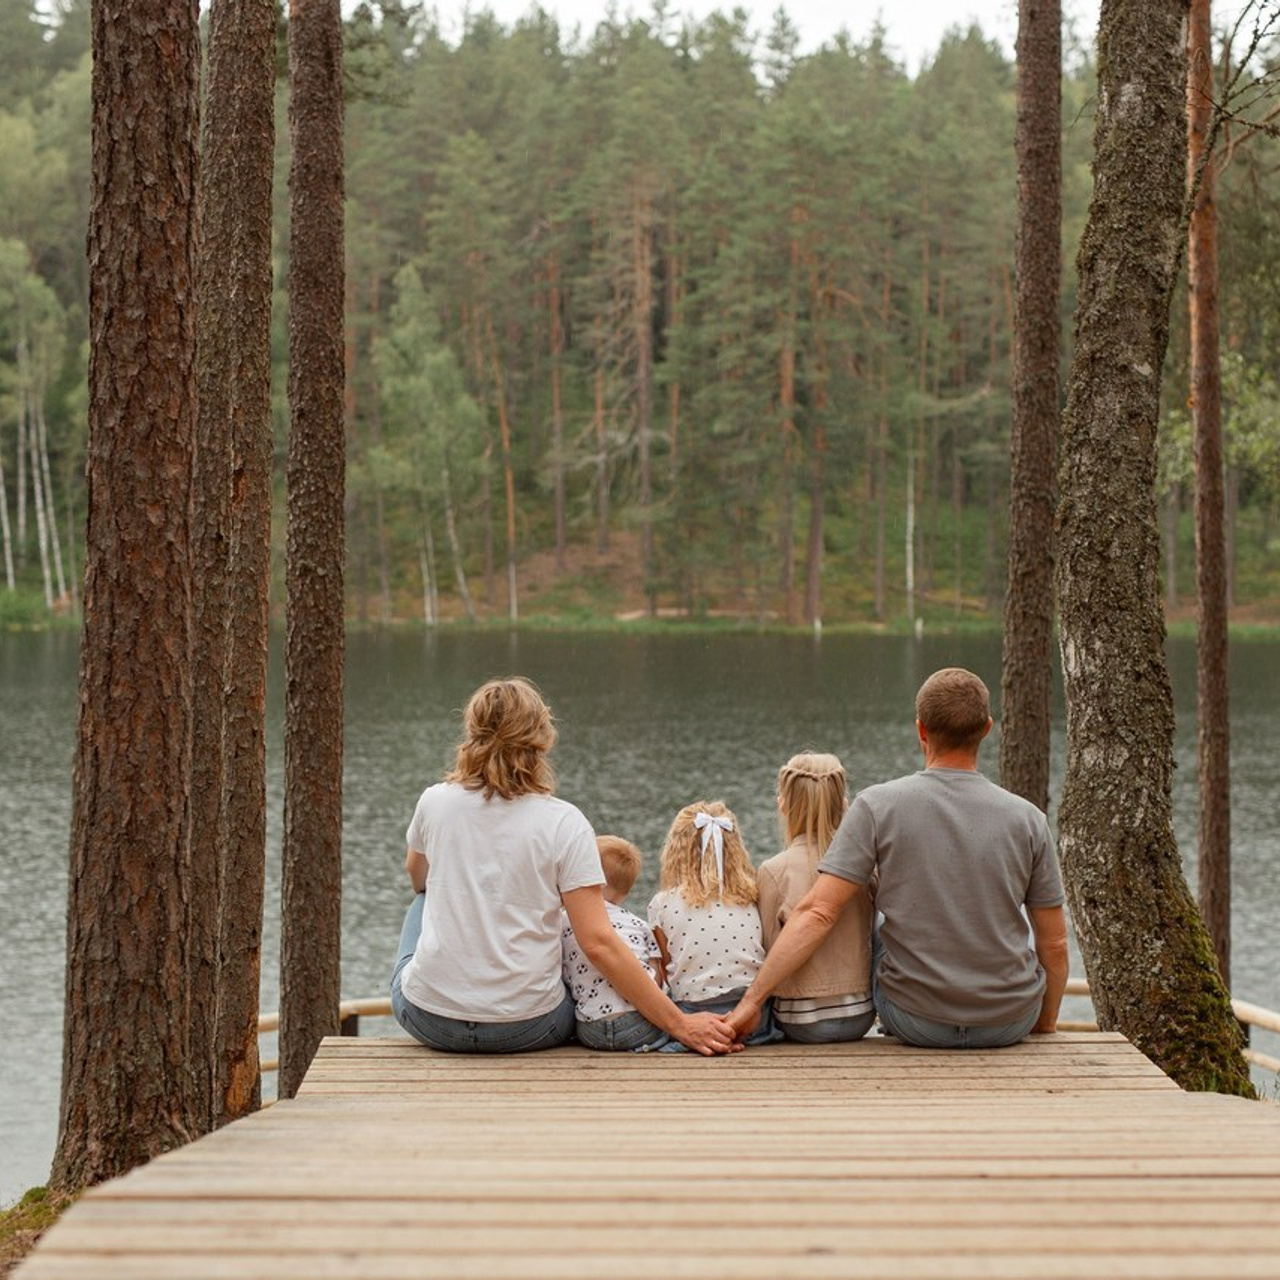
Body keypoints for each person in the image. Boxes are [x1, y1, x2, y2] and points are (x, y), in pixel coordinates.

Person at [390, 677, 736, 1056]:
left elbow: (418, 877)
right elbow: (599, 944)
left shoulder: (434, 802)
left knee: (423, 899)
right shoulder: (564, 822)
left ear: (472, 732)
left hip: (429, 1019)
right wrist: (679, 1024)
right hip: (527, 1027)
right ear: (542, 737)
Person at [729, 668, 1069, 1049]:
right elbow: (1053, 944)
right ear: (987, 728)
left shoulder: (877, 805)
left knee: (880, 927)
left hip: (915, 1021)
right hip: (1009, 1024)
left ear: (921, 730)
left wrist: (751, 1001)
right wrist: (1044, 1023)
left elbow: (818, 913)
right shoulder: (1029, 819)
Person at [758, 752, 875, 1043]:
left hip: (800, 1021)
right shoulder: (864, 866)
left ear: (784, 806)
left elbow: (767, 948)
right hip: (859, 1017)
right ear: (842, 804)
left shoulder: (774, 870)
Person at [649, 800, 780, 1046]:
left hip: (693, 1013)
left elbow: (670, 968)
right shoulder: (752, 897)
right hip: (752, 1016)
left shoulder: (662, 903)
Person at [561, 835, 670, 1051]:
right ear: (625, 893)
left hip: (590, 1029)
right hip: (638, 1025)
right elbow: (657, 977)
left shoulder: (564, 920)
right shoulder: (638, 924)